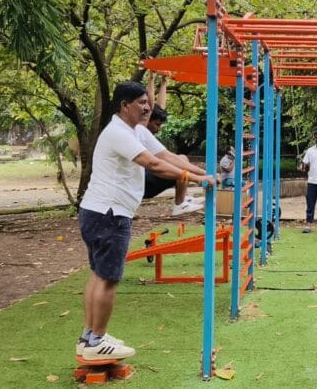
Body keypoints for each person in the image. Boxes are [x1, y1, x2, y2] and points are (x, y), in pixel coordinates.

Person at [76, 82, 214, 361]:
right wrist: (199, 180)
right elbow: (153, 164)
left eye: (147, 102)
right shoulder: (118, 132)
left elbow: (169, 157)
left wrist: (207, 173)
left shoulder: (136, 130)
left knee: (98, 275)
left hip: (96, 211)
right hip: (110, 214)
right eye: (141, 102)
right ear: (124, 105)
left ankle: (89, 337)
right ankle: (96, 341)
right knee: (108, 279)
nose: (148, 107)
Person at [140, 74, 207, 216]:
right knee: (179, 164)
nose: (159, 128)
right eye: (157, 124)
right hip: (143, 183)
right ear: (147, 119)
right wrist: (151, 79)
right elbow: (150, 107)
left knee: (182, 157)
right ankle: (179, 204)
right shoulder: (141, 128)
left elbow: (159, 107)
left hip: (146, 178)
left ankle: (183, 198)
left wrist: (164, 81)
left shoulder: (146, 130)